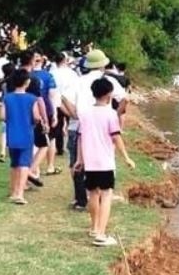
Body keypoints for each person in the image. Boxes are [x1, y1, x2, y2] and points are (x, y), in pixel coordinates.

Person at [75, 77, 135, 246]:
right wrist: (126, 158)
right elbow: (116, 138)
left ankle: (94, 227)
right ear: (109, 94)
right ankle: (101, 235)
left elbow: (80, 138)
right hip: (105, 162)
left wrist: (79, 159)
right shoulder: (110, 114)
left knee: (93, 194)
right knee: (106, 195)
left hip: (90, 161)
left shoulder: (85, 114)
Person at [71, 49, 127, 211]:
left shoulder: (80, 80)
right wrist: (115, 115)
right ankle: (103, 198)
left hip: (83, 123)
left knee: (79, 164)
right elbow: (124, 98)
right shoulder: (108, 80)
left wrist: (75, 115)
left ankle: (81, 199)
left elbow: (64, 99)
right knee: (106, 161)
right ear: (103, 64)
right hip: (104, 124)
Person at [2, 69, 46, 205]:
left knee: (14, 164)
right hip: (26, 134)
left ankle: (13, 191)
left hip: (12, 134)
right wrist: (38, 122)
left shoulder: (7, 98)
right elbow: (36, 117)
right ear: (27, 82)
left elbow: (3, 116)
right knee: (24, 164)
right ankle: (20, 194)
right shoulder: (31, 98)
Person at [18, 50, 53, 186]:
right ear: (32, 61)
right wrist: (45, 119)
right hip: (33, 115)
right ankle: (29, 171)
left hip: (17, 115)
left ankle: (22, 178)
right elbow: (39, 100)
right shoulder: (33, 79)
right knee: (44, 144)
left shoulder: (13, 76)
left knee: (22, 148)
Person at [50, 51, 80, 185]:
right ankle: (69, 147)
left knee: (57, 123)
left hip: (56, 101)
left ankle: (58, 147)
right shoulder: (72, 74)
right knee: (70, 123)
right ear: (65, 60)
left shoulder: (52, 73)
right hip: (70, 101)